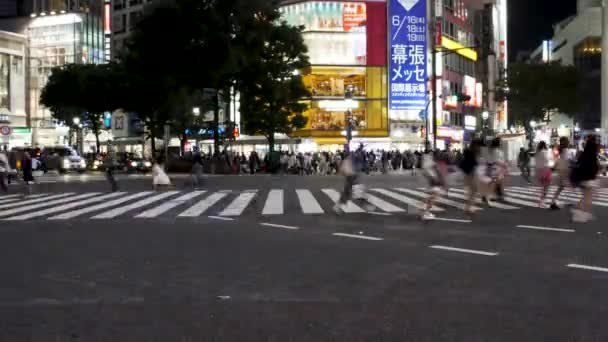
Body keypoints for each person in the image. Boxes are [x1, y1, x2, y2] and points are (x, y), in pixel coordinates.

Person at [570, 137, 599, 223]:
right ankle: (582, 214)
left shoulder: (584, 154)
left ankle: (580, 213)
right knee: (588, 197)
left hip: (582, 179)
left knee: (586, 197)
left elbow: (578, 164)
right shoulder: (592, 156)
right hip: (587, 179)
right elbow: (594, 168)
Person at [420, 150, 447, 220]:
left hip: (433, 181)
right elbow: (435, 172)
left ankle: (425, 211)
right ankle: (426, 212)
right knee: (433, 197)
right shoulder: (431, 162)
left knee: (433, 196)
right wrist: (436, 179)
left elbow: (425, 172)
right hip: (434, 181)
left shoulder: (429, 162)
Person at [550, 137, 574, 210]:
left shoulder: (561, 150)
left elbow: (558, 160)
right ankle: (554, 202)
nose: (569, 142)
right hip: (565, 171)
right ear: (566, 143)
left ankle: (553, 202)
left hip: (562, 170)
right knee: (569, 185)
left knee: (561, 187)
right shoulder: (566, 151)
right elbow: (568, 161)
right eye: (568, 141)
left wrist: (554, 167)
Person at [459, 140, 481, 216]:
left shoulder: (468, 151)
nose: (478, 148)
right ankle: (468, 208)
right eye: (477, 146)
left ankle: (469, 208)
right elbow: (474, 163)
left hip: (467, 173)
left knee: (472, 192)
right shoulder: (472, 153)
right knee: (473, 191)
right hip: (470, 173)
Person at [535, 141, 553, 208]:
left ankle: (542, 201)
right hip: (546, 170)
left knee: (543, 187)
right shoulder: (546, 152)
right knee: (546, 187)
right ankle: (542, 201)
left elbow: (536, 163)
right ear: (545, 145)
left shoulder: (537, 153)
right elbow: (549, 160)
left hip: (539, 171)